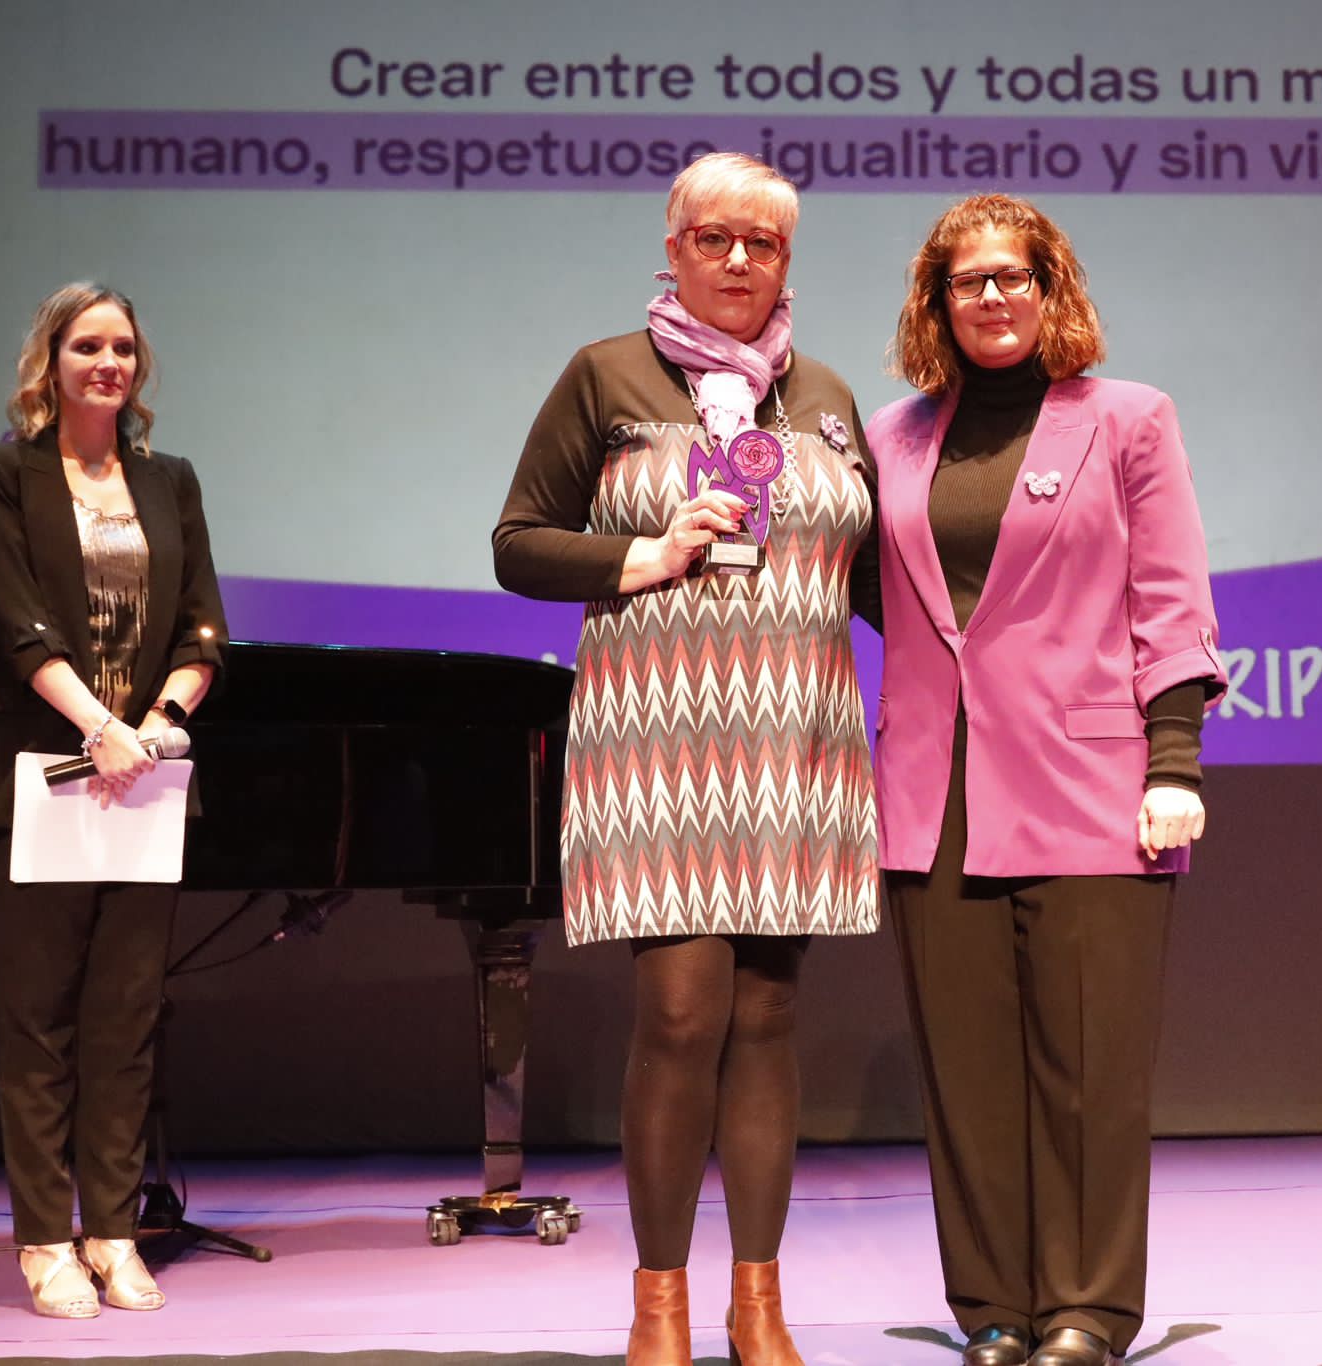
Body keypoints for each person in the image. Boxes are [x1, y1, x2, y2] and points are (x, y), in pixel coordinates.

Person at [493, 152, 878, 1366]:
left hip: (796, 737)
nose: (737, 260)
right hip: (657, 740)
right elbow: (517, 543)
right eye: (713, 238)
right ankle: (657, 1304)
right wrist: (646, 556)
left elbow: (876, 577)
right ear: (672, 249)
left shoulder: (824, 394)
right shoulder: (605, 374)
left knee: (768, 1016)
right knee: (678, 1012)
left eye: (761, 243)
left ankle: (757, 1304)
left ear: (786, 260)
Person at [867, 195, 1226, 1366]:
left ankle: (1086, 1309)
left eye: (1011, 276)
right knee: (965, 1075)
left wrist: (1173, 761)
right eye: (966, 280)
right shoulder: (889, 436)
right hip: (933, 797)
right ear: (936, 303)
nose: (991, 297)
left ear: (1049, 288)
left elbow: (1170, 599)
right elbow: (884, 596)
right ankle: (993, 1306)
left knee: (1087, 1073)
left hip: (1091, 785)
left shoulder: (1127, 420)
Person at [0, 283, 226, 1318]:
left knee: (126, 1020)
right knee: (42, 1026)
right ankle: (44, 1241)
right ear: (52, 361)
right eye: (87, 346)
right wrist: (98, 728)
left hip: (146, 776)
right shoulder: (0, 473)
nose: (107, 362)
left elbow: (203, 624)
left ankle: (112, 1232)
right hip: (43, 771)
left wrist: (158, 717)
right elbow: (14, 620)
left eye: (122, 347)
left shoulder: (170, 480)